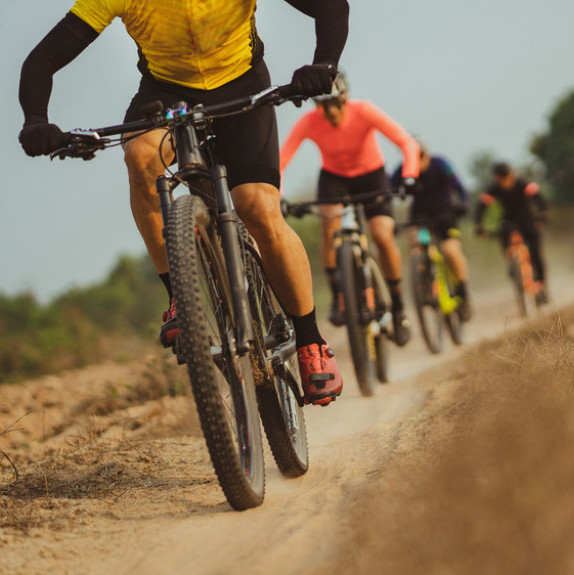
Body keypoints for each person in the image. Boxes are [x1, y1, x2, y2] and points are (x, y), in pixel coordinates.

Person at [17, 0, 350, 407]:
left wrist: (325, 64)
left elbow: (331, 7)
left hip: (241, 84)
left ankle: (310, 341)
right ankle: (179, 296)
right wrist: (35, 119)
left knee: (259, 209)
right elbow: (43, 59)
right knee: (140, 159)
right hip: (166, 94)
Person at [280, 71, 419, 346]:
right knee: (329, 226)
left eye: (335, 104)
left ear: (346, 98)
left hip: (371, 176)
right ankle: (337, 297)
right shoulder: (308, 122)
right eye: (323, 106)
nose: (330, 112)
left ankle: (399, 305)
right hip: (334, 179)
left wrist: (410, 175)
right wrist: (280, 195)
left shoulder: (365, 111)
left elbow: (407, 142)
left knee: (381, 235)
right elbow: (281, 160)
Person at [391, 144, 473, 321]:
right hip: (419, 216)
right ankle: (423, 280)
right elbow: (389, 193)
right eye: (410, 156)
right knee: (415, 247)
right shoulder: (402, 171)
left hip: (445, 214)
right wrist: (390, 219)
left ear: (426, 153)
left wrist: (464, 203)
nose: (417, 160)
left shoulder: (440, 164)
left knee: (451, 251)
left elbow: (459, 186)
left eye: (420, 155)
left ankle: (463, 292)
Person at [474, 162, 549, 303]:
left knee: (536, 254)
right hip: (508, 221)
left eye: (505, 177)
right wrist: (479, 225)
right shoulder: (494, 188)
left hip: (528, 220)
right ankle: (512, 263)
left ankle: (541, 285)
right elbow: (481, 206)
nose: (503, 181)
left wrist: (542, 215)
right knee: (503, 234)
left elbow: (539, 199)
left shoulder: (522, 184)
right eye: (500, 178)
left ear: (511, 174)